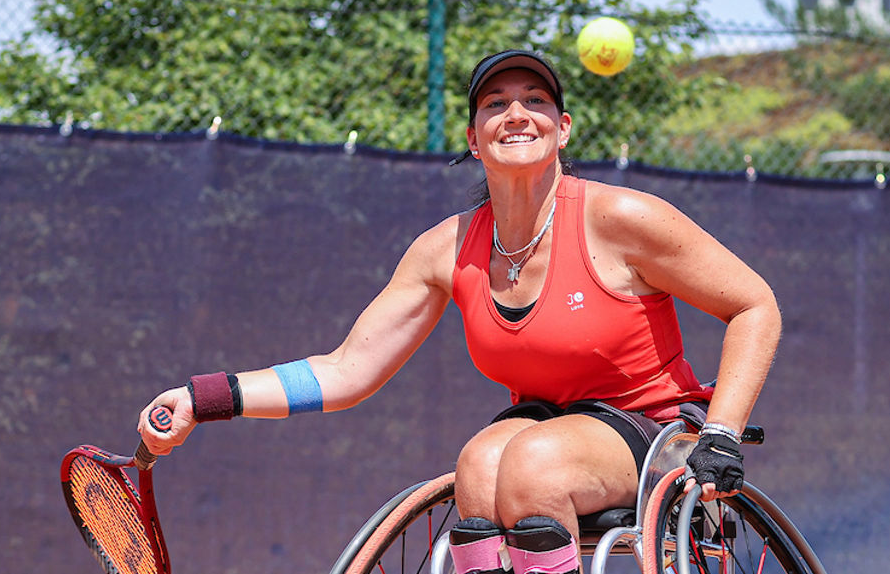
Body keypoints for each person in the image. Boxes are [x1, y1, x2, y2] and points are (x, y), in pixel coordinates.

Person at [138, 49, 781, 574]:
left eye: (536, 101)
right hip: (544, 425)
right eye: (496, 105)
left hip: (657, 430)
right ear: (475, 139)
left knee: (531, 464)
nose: (517, 114)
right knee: (479, 462)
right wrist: (205, 398)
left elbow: (754, 305)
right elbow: (346, 371)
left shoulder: (622, 219)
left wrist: (722, 434)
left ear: (564, 129)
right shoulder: (446, 249)